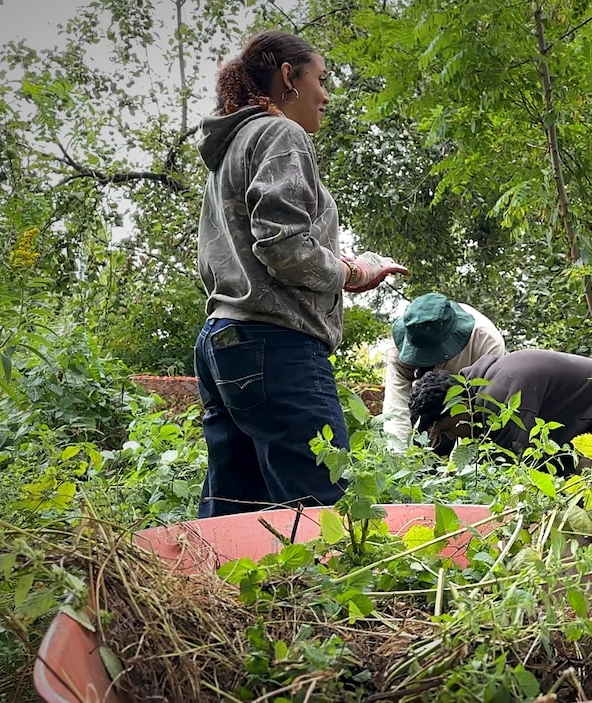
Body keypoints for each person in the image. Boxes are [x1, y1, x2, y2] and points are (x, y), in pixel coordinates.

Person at [193, 30, 407, 518]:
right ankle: (329, 593)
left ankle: (213, 595)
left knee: (234, 515)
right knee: (320, 509)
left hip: (222, 341)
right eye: (321, 79)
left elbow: (252, 246)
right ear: (289, 78)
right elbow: (284, 247)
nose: (326, 94)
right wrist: (352, 272)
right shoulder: (281, 134)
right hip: (276, 345)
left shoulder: (230, 150)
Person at [407, 349, 592, 471]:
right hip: (577, 419)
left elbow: (512, 467)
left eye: (447, 430)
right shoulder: (476, 384)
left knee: (589, 488)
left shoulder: (499, 396)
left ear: (456, 405)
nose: (454, 437)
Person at [380, 293, 505, 450]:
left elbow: (478, 411)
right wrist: (399, 459)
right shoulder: (401, 345)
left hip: (465, 410)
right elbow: (396, 408)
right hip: (427, 408)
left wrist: (456, 468)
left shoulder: (485, 340)